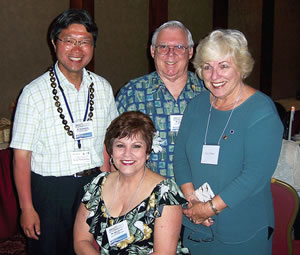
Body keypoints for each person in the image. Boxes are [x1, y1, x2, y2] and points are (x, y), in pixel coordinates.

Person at [10, 9, 118, 255]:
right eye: (69, 41)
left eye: (85, 42)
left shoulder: (102, 87)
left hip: (93, 185)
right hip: (51, 191)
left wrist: (109, 185)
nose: (77, 49)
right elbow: (21, 157)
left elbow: (107, 143)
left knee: (92, 249)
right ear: (54, 43)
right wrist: (27, 207)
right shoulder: (34, 93)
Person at [173, 29, 283, 254]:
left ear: (241, 68)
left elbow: (254, 176)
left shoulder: (261, 111)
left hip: (242, 227)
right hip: (196, 224)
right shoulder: (196, 105)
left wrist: (209, 209)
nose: (214, 76)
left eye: (223, 66)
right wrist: (193, 201)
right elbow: (180, 157)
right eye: (207, 67)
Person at [74, 111, 189, 254]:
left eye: (136, 146)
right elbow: (81, 241)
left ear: (147, 151)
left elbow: (164, 253)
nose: (127, 154)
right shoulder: (98, 184)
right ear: (111, 150)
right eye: (120, 145)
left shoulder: (165, 192)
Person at [116, 21, 205, 180]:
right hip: (146, 194)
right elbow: (113, 145)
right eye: (163, 47)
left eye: (179, 47)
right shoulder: (132, 93)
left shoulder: (207, 91)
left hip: (199, 194)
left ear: (190, 52)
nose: (171, 54)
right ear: (152, 51)